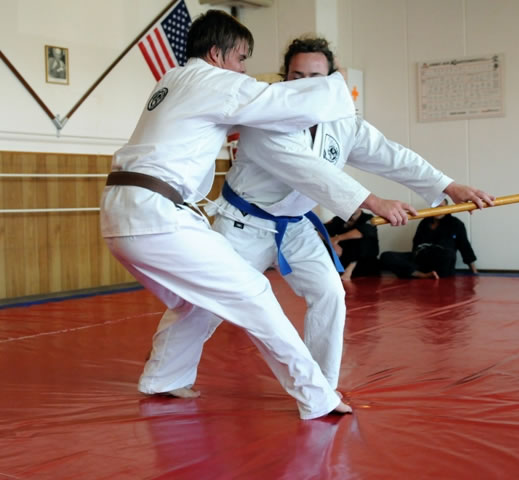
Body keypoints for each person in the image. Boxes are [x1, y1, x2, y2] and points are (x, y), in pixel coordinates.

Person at [100, 10, 363, 419]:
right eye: (241, 58)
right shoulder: (214, 81)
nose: (243, 68)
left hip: (122, 214)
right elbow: (279, 101)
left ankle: (163, 377)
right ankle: (317, 396)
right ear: (216, 54)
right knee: (255, 294)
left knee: (196, 301)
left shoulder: (172, 79)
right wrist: (335, 84)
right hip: (156, 216)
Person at [210, 36, 494, 392]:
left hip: (294, 227)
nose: (306, 86)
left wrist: (448, 185)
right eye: (297, 77)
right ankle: (166, 373)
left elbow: (389, 154)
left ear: (332, 80)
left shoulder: (341, 121)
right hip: (242, 225)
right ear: (284, 78)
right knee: (207, 301)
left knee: (330, 292)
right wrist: (375, 203)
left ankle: (321, 387)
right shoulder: (265, 118)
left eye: (316, 77)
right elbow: (314, 175)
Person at [380, 199, 479, 279]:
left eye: (441, 207)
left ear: (447, 208)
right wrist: (414, 257)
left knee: (448, 255)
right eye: (435, 207)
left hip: (440, 261)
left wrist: (474, 272)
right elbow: (416, 244)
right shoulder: (424, 222)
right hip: (420, 260)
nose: (437, 210)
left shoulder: (456, 224)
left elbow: (465, 248)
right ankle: (421, 275)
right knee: (386, 256)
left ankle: (413, 273)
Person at [324, 208, 380, 281]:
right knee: (321, 243)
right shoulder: (339, 219)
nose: (351, 207)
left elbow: (364, 231)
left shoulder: (369, 218)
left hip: (364, 263)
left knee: (367, 237)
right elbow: (320, 230)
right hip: (344, 259)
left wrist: (337, 238)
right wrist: (332, 244)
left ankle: (350, 268)